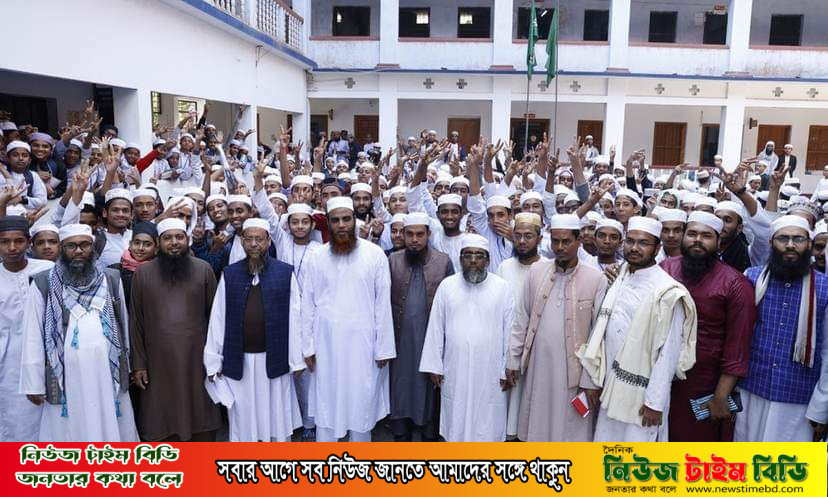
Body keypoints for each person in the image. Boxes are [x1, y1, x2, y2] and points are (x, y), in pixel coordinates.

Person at [578, 216, 697, 442]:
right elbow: (602, 335)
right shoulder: (620, 276)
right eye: (630, 241)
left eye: (643, 243)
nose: (634, 248)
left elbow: (669, 353)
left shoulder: (668, 292)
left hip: (643, 395)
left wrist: (655, 402)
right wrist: (594, 380)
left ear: (657, 248)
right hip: (610, 385)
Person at [21, 223, 137, 441]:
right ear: (61, 248)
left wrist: (126, 367)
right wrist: (33, 382)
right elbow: (33, 335)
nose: (78, 251)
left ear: (92, 248)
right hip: (65, 372)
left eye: (84, 245)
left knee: (110, 421)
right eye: (71, 246)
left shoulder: (111, 278)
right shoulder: (43, 282)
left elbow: (122, 322)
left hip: (106, 369)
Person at [301, 197, 395, 442]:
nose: (341, 225)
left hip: (363, 345)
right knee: (327, 400)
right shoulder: (317, 256)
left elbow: (382, 304)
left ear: (354, 220)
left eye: (346, 219)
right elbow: (307, 304)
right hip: (326, 344)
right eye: (335, 220)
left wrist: (384, 347)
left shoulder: (375, 254)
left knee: (361, 401)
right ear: (328, 223)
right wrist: (307, 347)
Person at [507, 214, 608, 442]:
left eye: (566, 241)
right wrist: (513, 360)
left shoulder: (596, 278)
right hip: (538, 366)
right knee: (537, 424)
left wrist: (590, 381)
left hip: (574, 373)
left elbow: (598, 335)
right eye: (555, 241)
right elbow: (521, 319)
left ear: (578, 241)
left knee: (570, 430)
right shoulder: (536, 272)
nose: (560, 247)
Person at [660, 212, 756, 441]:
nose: (697, 240)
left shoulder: (735, 283)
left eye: (706, 236)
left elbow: (738, 345)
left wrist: (721, 395)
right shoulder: (665, 269)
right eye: (692, 234)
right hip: (659, 377)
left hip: (704, 383)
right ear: (683, 237)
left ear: (718, 241)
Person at [204, 218, 303, 442]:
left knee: (276, 417)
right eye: (249, 239)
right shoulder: (230, 274)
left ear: (269, 241)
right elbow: (218, 319)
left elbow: (295, 318)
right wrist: (213, 361)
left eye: (259, 239)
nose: (254, 244)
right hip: (240, 360)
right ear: (242, 242)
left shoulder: (284, 273)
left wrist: (296, 360)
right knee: (243, 419)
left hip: (275, 358)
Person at [736, 215, 828, 442]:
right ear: (771, 243)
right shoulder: (751, 278)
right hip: (751, 390)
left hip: (799, 400)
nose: (790, 245)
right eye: (783, 238)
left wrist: (821, 407)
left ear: (809, 244)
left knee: (790, 462)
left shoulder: (825, 288)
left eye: (798, 239)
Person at [129, 218, 222, 441]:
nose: (174, 243)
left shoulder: (203, 269)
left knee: (200, 417)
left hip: (197, 358)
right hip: (157, 361)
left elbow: (216, 319)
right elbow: (136, 321)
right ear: (158, 243)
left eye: (179, 237)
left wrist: (216, 359)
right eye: (167, 238)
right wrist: (139, 364)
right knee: (161, 418)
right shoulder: (143, 273)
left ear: (187, 240)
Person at [419, 234, 515, 442]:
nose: (473, 260)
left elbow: (510, 330)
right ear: (460, 258)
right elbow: (436, 327)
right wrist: (434, 365)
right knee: (456, 415)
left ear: (487, 260)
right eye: (468, 255)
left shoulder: (502, 287)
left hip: (490, 369)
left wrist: (506, 367)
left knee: (488, 420)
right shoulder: (447, 286)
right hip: (455, 367)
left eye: (479, 256)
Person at [388, 212, 453, 442]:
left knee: (428, 387)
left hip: (430, 338)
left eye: (419, 234)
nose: (414, 239)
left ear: (428, 235)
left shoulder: (443, 262)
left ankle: (428, 434)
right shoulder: (393, 260)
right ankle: (401, 434)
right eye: (410, 234)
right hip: (400, 339)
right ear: (403, 235)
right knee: (400, 385)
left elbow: (451, 301)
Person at [0, 216, 53, 441]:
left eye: (18, 241)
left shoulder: (47, 270)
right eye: (4, 242)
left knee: (51, 420)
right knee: (16, 423)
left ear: (29, 243)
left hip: (47, 357)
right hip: (8, 364)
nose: (12, 248)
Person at [496, 212, 548, 439]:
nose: (522, 241)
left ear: (539, 238)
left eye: (528, 236)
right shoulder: (504, 267)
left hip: (535, 349)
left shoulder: (548, 268)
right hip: (506, 344)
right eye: (517, 236)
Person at [110, 221, 158, 305]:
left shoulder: (160, 272)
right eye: (137, 243)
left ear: (156, 248)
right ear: (130, 244)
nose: (140, 248)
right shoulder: (115, 271)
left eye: (147, 244)